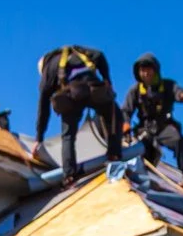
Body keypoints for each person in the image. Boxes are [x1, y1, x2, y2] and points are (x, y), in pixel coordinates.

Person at [34, 44, 121, 182]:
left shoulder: (49, 67)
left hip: (72, 93)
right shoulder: (77, 51)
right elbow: (99, 55)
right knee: (113, 113)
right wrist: (107, 80)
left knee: (68, 135)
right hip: (93, 87)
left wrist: (39, 138)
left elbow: (43, 105)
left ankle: (69, 175)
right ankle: (114, 154)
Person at [125, 56, 183, 181]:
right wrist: (125, 124)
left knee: (179, 141)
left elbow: (177, 91)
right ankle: (143, 174)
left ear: (155, 70)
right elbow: (126, 110)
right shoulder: (135, 91)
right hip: (144, 130)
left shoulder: (167, 85)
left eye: (148, 70)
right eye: (142, 71)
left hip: (164, 126)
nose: (146, 74)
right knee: (139, 152)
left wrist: (181, 95)